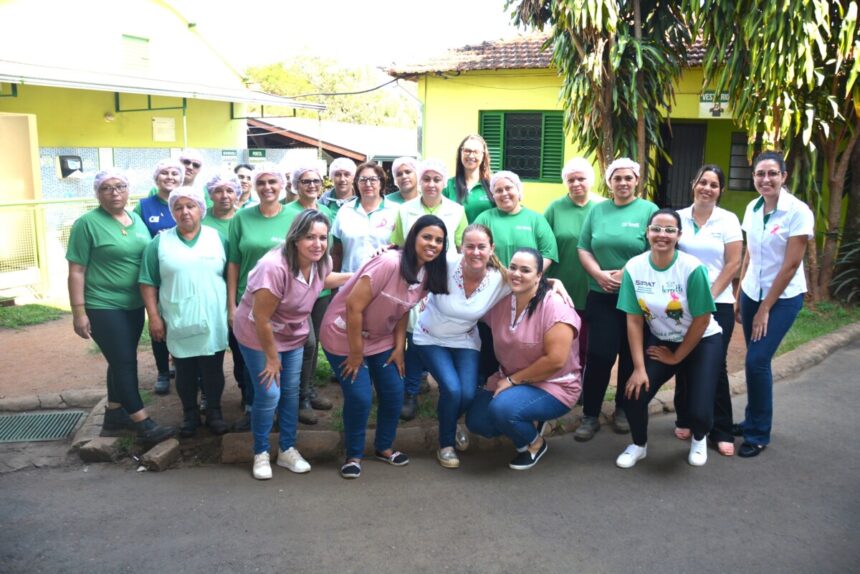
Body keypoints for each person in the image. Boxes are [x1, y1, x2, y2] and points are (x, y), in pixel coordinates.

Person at [319, 215, 449, 479]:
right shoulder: (389, 262)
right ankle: (353, 454)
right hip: (344, 335)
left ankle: (384, 447)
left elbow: (402, 309)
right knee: (360, 397)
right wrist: (356, 355)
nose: (432, 244)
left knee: (393, 392)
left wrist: (399, 346)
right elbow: (353, 307)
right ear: (413, 237)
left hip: (381, 338)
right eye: (427, 237)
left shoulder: (428, 273)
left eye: (439, 240)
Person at [234, 210, 351, 480]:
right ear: (295, 238)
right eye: (310, 237)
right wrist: (272, 359)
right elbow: (262, 318)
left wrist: (355, 275)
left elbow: (324, 279)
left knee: (290, 392)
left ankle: (287, 449)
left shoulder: (321, 260)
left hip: (292, 333)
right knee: (269, 394)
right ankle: (261, 452)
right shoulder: (273, 267)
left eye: (323, 237)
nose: (318, 244)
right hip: (258, 334)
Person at [66, 169, 175, 442]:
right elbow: (76, 270)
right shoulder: (86, 224)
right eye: (106, 188)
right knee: (125, 361)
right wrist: (79, 312)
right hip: (103, 304)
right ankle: (142, 422)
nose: (114, 192)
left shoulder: (136, 219)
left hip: (133, 304)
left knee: (120, 359)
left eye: (120, 186)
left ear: (129, 190)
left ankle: (114, 415)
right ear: (97, 193)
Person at [615, 209, 724, 468]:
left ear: (679, 235)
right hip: (662, 340)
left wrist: (676, 357)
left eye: (669, 230)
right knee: (633, 395)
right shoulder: (635, 267)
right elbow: (633, 320)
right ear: (647, 232)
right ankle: (639, 445)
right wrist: (639, 369)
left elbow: (702, 319)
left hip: (702, 340)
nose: (662, 235)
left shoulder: (691, 268)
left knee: (698, 412)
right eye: (656, 229)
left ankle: (699, 437)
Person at [466, 247, 581, 470]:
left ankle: (534, 443)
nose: (517, 274)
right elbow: (472, 295)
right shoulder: (502, 301)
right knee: (478, 422)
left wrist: (511, 381)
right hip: (510, 379)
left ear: (539, 275)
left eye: (526, 270)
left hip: (554, 384)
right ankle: (527, 417)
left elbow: (555, 361)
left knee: (503, 410)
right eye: (514, 268)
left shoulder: (555, 307)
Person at [734, 150, 814, 458]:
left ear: (784, 176)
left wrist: (766, 308)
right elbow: (750, 255)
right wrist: (741, 294)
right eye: (759, 174)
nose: (765, 179)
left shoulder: (797, 212)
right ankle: (751, 419)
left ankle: (758, 433)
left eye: (772, 173)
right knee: (753, 360)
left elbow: (791, 266)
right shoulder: (752, 208)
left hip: (782, 299)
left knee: (757, 360)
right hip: (753, 291)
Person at [574, 157, 658, 441]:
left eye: (628, 178)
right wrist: (598, 274)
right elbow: (584, 247)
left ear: (637, 181)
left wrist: (625, 273)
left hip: (637, 297)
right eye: (617, 178)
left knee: (629, 353)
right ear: (609, 182)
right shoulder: (597, 211)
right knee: (599, 355)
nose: (623, 183)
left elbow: (657, 247)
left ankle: (623, 408)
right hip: (601, 294)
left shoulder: (649, 210)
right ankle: (590, 414)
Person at [139, 187, 230, 437]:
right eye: (178, 207)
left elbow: (231, 276)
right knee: (184, 369)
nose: (185, 212)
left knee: (213, 368)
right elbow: (147, 281)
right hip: (177, 316)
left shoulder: (218, 238)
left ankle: (214, 412)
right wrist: (154, 317)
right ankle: (189, 414)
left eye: (190, 206)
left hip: (213, 315)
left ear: (201, 209)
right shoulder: (159, 242)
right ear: (172, 212)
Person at [390, 159, 468, 420]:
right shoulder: (405, 210)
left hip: (443, 279)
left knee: (439, 330)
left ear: (444, 182)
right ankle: (410, 392)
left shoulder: (457, 210)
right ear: (419, 181)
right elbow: (397, 245)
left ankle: (447, 386)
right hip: (413, 277)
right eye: (426, 179)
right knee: (414, 333)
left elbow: (462, 246)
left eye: (436, 179)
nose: (431, 184)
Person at [674, 165, 742, 456]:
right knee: (684, 358)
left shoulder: (727, 220)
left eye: (714, 185)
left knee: (715, 364)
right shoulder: (678, 217)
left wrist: (709, 298)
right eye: (703, 182)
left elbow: (733, 263)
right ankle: (686, 417)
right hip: (681, 303)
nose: (707, 188)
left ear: (720, 190)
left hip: (719, 302)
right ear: (694, 184)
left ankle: (721, 428)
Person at [227, 162, 294, 429]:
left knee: (281, 355)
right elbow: (233, 262)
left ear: (282, 185)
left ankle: (280, 411)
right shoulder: (241, 217)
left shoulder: (294, 217)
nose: (267, 188)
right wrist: (231, 304)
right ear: (254, 187)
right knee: (251, 358)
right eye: (262, 183)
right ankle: (253, 408)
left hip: (284, 301)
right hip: (248, 300)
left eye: (272, 182)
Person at [283, 164, 335, 424]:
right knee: (306, 342)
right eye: (305, 181)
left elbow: (327, 251)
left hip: (321, 288)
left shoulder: (325, 211)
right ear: (296, 184)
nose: (311, 185)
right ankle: (298, 398)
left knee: (314, 346)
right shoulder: (287, 212)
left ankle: (308, 388)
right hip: (297, 288)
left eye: (316, 180)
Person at [544, 158, 601, 366]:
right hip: (562, 286)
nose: (576, 183)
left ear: (591, 180)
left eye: (581, 179)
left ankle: (584, 387)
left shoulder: (603, 207)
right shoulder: (554, 208)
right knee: (563, 341)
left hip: (594, 286)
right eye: (571, 179)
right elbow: (544, 245)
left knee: (588, 343)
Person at [135, 158, 184, 395]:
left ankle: (183, 365)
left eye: (175, 173)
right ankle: (163, 372)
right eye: (165, 173)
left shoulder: (187, 202)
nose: (170, 177)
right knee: (157, 322)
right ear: (156, 178)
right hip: (156, 273)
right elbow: (136, 235)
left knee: (181, 318)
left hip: (180, 271)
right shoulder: (144, 206)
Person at [474, 170, 558, 268]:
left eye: (508, 188)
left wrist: (530, 276)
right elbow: (474, 250)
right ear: (493, 196)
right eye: (498, 190)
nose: (504, 193)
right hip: (493, 280)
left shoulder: (536, 220)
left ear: (518, 190)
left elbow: (548, 253)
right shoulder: (484, 219)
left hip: (527, 281)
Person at [331, 162, 399, 273]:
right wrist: (334, 288)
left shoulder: (395, 211)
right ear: (356, 183)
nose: (368, 184)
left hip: (383, 281)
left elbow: (401, 249)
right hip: (349, 282)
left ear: (381, 182)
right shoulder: (345, 211)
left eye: (373, 179)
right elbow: (337, 252)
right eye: (362, 180)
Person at [444, 134, 494, 223]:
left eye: (476, 152)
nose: (471, 156)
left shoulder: (493, 185)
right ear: (460, 153)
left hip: (486, 236)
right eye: (467, 151)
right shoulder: (448, 185)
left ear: (483, 156)